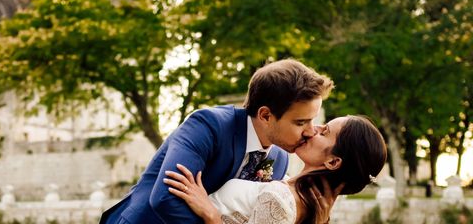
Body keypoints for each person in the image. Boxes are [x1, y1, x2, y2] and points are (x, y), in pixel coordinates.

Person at [100, 59, 335, 224]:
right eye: (300, 122)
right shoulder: (208, 126)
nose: (310, 131)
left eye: (312, 121)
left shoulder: (280, 159)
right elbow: (165, 199)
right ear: (265, 115)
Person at [164, 115, 387, 224]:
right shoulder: (293, 190)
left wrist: (210, 214)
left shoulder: (281, 198)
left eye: (325, 130)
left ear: (333, 162)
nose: (314, 128)